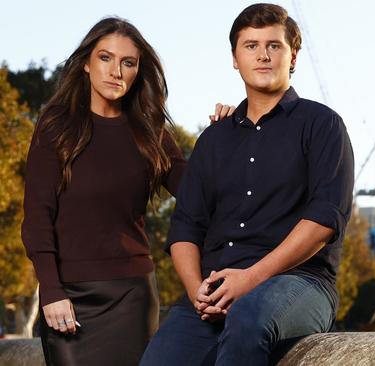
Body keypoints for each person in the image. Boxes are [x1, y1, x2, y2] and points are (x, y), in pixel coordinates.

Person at [140, 3, 355, 365]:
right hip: (215, 288)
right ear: (235, 59)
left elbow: (323, 221)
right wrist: (198, 293)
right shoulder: (214, 138)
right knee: (159, 358)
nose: (264, 55)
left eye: (274, 45)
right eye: (251, 46)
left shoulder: (323, 125)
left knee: (248, 319)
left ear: (293, 57)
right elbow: (185, 228)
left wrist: (251, 279)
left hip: (301, 283)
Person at [21, 17, 234, 366]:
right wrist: (51, 290)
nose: (115, 71)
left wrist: (222, 138)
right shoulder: (55, 127)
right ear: (87, 64)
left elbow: (199, 191)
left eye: (128, 62)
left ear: (138, 71)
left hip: (131, 295)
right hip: (68, 294)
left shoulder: (150, 132)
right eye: (105, 58)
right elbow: (37, 216)